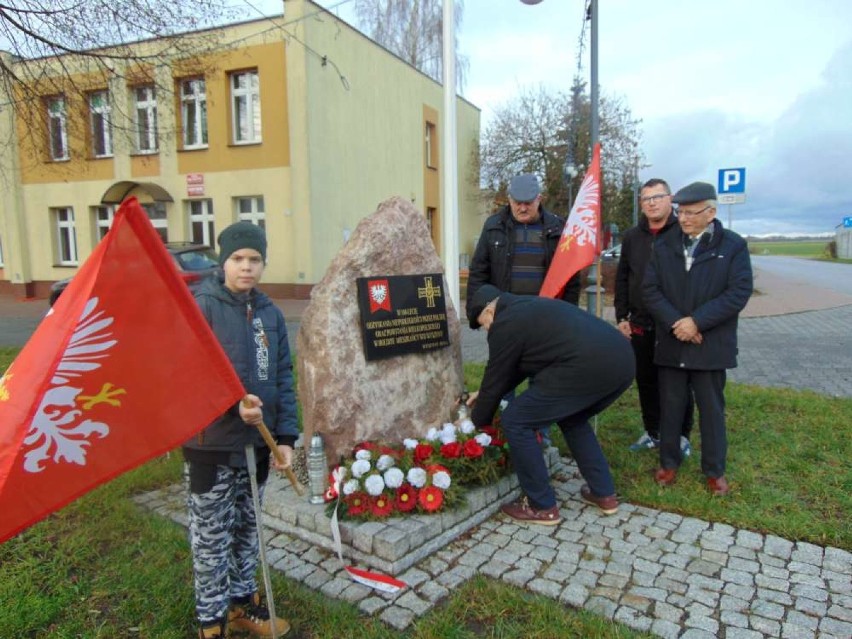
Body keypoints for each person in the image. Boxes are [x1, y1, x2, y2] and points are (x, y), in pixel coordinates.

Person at [182, 221, 297, 639]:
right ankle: (210, 624)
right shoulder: (202, 308)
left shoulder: (270, 314)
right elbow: (186, 376)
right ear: (223, 261)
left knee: (248, 532)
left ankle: (241, 606)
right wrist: (231, 405)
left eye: (254, 259)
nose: (246, 267)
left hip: (258, 448)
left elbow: (283, 376)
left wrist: (285, 440)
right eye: (237, 259)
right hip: (210, 446)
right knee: (212, 540)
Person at [465, 284, 635, 524]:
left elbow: (498, 375)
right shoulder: (526, 308)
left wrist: (475, 426)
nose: (487, 330)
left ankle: (541, 506)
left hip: (587, 365)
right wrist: (484, 393)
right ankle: (604, 493)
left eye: (483, 324)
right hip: (622, 361)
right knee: (571, 416)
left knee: (515, 419)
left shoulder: (505, 323)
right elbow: (512, 370)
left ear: (490, 312)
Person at [643, 182, 753, 496]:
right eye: (681, 212)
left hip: (710, 344)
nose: (685, 219)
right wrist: (678, 323)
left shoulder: (732, 246)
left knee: (711, 410)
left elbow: (738, 292)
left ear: (711, 212)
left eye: (692, 213)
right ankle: (668, 462)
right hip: (673, 340)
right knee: (671, 406)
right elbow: (651, 290)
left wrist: (697, 322)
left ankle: (714, 470)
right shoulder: (665, 244)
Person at [466, 173, 582, 444]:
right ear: (508, 200)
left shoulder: (557, 228)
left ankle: (541, 435)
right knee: (503, 374)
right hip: (505, 320)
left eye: (528, 203)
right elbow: (478, 272)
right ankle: (500, 433)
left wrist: (566, 316)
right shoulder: (494, 225)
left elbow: (571, 278)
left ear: (539, 199)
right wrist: (478, 315)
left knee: (543, 379)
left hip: (545, 320)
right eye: (516, 202)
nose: (522, 208)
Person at [615, 178, 694, 455]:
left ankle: (682, 436)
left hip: (674, 323)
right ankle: (653, 431)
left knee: (678, 382)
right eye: (646, 198)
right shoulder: (633, 237)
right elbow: (623, 276)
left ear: (669, 199)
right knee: (646, 380)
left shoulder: (682, 232)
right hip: (640, 323)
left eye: (657, 197)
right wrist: (621, 316)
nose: (651, 203)